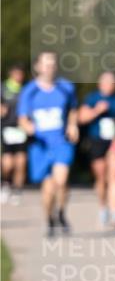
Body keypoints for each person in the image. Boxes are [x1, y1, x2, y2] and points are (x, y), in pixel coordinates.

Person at [17, 51, 78, 235]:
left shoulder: (66, 87)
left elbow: (73, 109)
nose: (49, 67)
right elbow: (22, 119)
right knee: (48, 187)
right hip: (40, 145)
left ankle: (61, 212)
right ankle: (49, 218)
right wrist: (30, 128)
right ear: (37, 67)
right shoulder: (29, 91)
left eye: (52, 64)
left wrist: (72, 125)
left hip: (61, 142)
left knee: (62, 180)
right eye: (45, 64)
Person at [78, 70, 115, 227]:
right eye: (106, 82)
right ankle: (103, 207)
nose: (109, 86)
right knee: (102, 178)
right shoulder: (92, 98)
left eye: (112, 82)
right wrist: (97, 110)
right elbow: (81, 118)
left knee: (114, 176)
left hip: (113, 141)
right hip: (96, 141)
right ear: (100, 83)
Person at [1, 62, 27, 203]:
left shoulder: (26, 89)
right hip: (7, 128)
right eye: (16, 74)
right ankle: (5, 184)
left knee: (21, 161)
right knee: (8, 163)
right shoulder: (3, 88)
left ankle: (17, 189)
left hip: (21, 129)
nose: (19, 77)